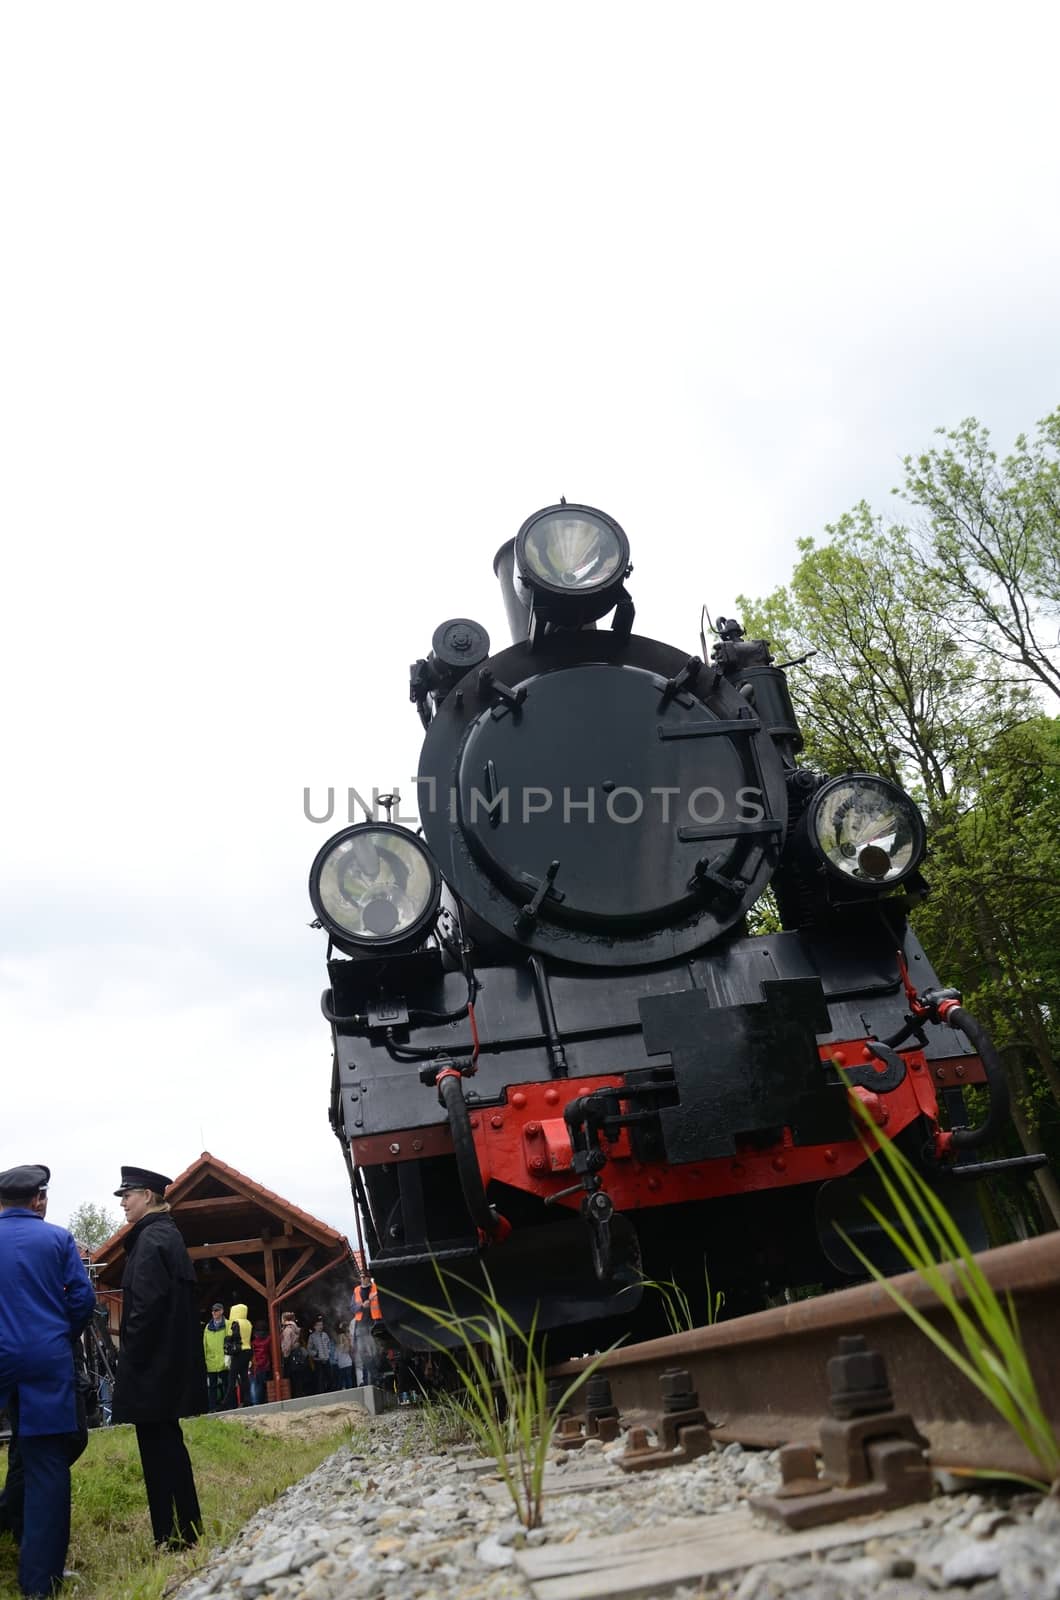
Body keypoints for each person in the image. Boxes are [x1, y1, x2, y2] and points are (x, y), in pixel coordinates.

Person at [0, 1163, 96, 1599]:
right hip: (44, 1360)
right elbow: (83, 1300)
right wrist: (58, 1335)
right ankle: (40, 1583)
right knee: (46, 1470)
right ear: (38, 1198)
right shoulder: (57, 1239)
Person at [110, 1165, 206, 1550]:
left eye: (126, 1196)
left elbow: (144, 1312)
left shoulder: (150, 1242)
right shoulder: (167, 1236)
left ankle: (171, 1536)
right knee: (170, 1448)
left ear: (147, 1196)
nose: (123, 1204)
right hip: (166, 1368)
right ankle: (187, 1529)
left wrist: (128, 1362)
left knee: (158, 1454)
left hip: (150, 1370)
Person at [350, 1279, 383, 1388]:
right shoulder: (356, 1290)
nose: (363, 1278)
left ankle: (375, 1380)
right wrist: (362, 1306)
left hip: (375, 1325)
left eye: (365, 1276)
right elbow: (352, 1308)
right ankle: (377, 1377)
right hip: (361, 1326)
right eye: (362, 1276)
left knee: (376, 1353)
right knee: (363, 1354)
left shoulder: (376, 1288)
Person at [221, 1303, 252, 1410]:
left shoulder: (236, 1323)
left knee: (232, 1378)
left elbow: (235, 1337)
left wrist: (228, 1343)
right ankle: (248, 1400)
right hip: (247, 1351)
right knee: (244, 1377)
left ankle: (225, 1403)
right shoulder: (248, 1323)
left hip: (239, 1352)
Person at [202, 1304, 227, 1413]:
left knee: (227, 1385)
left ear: (222, 1311)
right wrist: (205, 1359)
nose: (214, 1313)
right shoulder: (208, 1327)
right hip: (211, 1361)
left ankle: (228, 1406)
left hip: (224, 1360)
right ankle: (212, 1408)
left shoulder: (227, 1324)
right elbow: (205, 1344)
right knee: (212, 1387)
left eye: (216, 1310)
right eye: (212, 1311)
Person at [306, 1317, 332, 1395]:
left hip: (326, 1359)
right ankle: (321, 1393)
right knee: (319, 1378)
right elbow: (309, 1349)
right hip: (318, 1361)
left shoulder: (325, 1335)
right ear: (315, 1326)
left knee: (329, 1377)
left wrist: (328, 1352)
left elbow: (329, 1345)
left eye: (321, 1325)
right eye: (318, 1325)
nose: (321, 1326)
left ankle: (329, 1392)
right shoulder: (312, 1337)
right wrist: (315, 1354)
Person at [248, 1323, 271, 1406]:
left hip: (255, 1366)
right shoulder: (268, 1340)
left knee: (254, 1384)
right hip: (265, 1366)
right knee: (263, 1385)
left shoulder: (253, 1343)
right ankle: (264, 1401)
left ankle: (255, 1403)